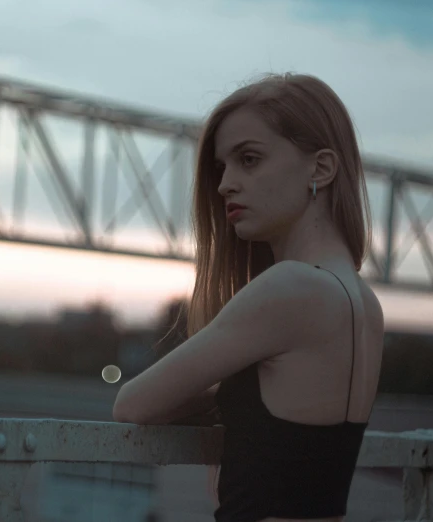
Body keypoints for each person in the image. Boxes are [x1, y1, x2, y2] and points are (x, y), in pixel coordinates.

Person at [112, 72, 384, 522]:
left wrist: (220, 388)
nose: (224, 185)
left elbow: (133, 405)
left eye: (249, 159)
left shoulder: (290, 288)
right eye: (222, 167)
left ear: (321, 168)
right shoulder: (363, 301)